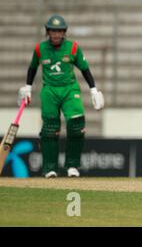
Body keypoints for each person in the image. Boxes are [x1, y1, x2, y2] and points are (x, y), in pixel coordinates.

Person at [17, 14, 105, 178]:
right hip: (50, 90)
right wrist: (27, 88)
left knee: (77, 125)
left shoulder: (73, 48)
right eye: (53, 31)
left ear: (64, 32)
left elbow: (85, 69)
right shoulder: (40, 49)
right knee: (50, 129)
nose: (56, 35)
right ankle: (50, 168)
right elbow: (32, 68)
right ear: (47, 32)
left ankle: (72, 166)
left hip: (70, 89)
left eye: (59, 31)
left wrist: (93, 89)